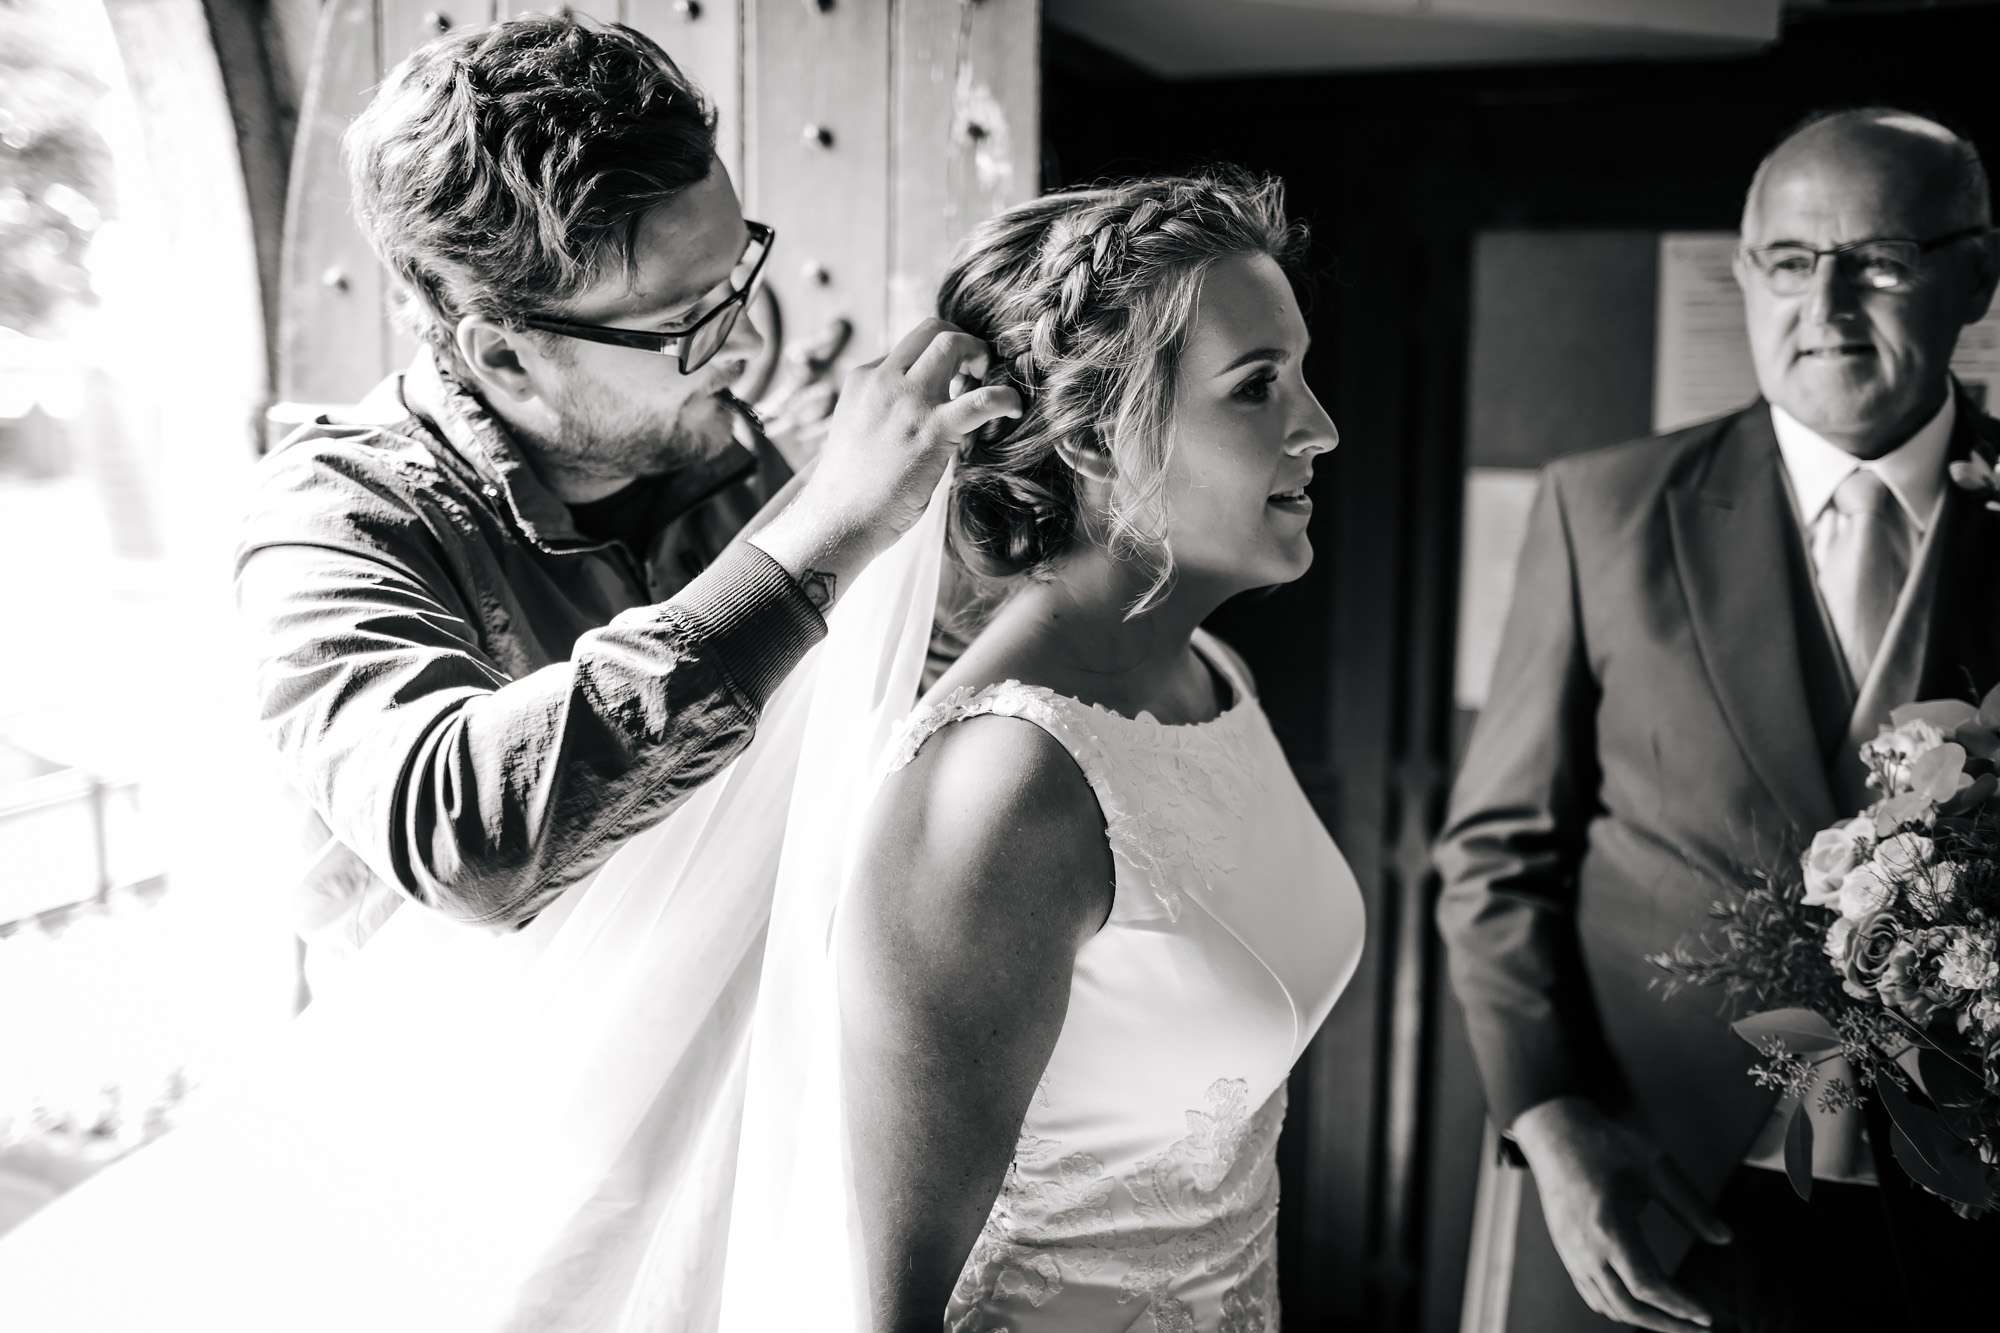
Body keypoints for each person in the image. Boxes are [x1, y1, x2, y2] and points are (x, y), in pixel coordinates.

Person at [236, 11, 1016, 979]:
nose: (740, 344)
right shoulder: (330, 519)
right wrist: (822, 532)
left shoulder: (719, 449)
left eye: (734, 277)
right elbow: (462, 843)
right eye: (681, 320)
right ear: (506, 356)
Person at [1436, 108, 2000, 1333]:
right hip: (1662, 1190)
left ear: (1975, 275)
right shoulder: (1603, 512)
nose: (1828, 304)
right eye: (1791, 264)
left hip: (1966, 1215)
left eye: (1881, 260)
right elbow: (1493, 860)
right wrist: (1546, 1123)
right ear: (1744, 277)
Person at [813, 171, 1367, 1331]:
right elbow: (890, 1304)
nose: (1318, 427)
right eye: (1257, 387)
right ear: (1096, 438)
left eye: (1299, 374)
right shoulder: (1001, 784)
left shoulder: (1211, 679)